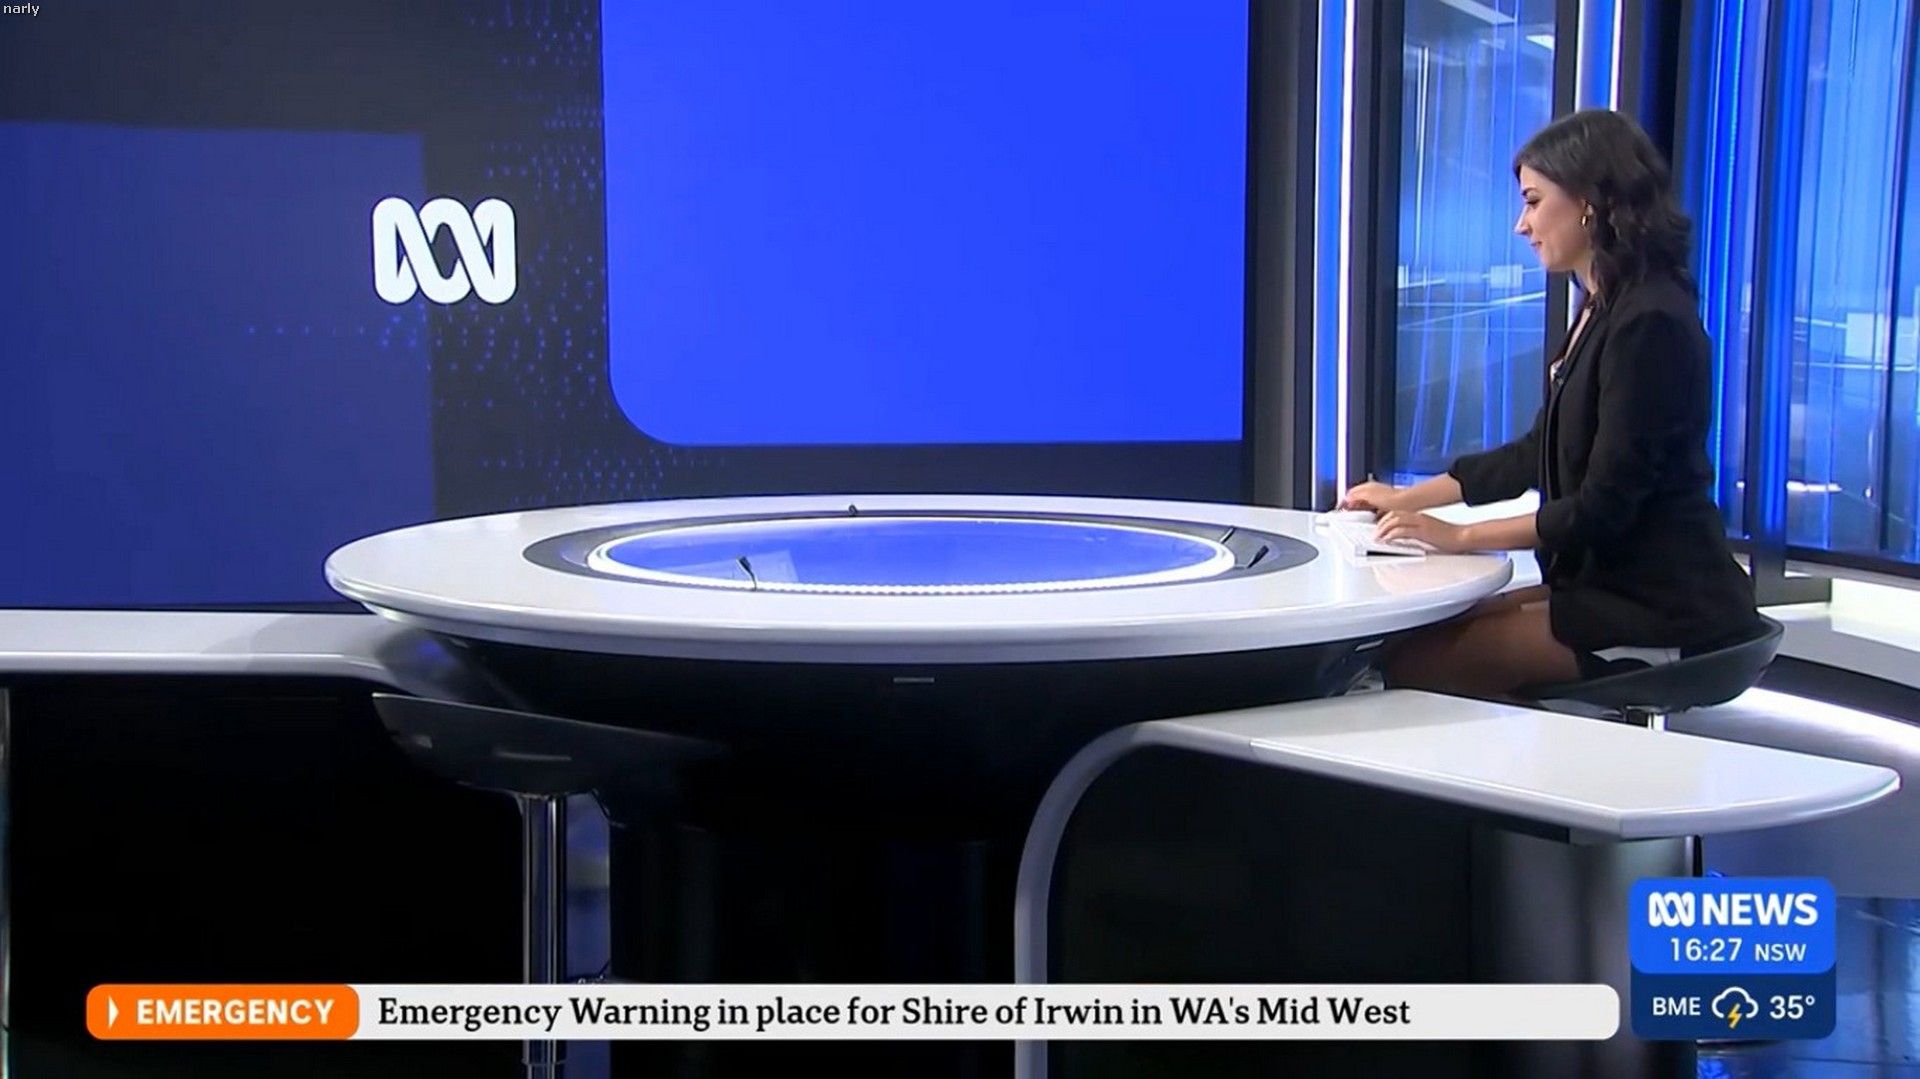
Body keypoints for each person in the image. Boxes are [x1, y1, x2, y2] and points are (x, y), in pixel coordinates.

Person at [1342, 109, 1759, 700]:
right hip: (1608, 587)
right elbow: (1537, 451)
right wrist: (1407, 499)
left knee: (1415, 665)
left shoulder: (1651, 322)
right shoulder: (1604, 306)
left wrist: (1459, 537)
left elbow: (1602, 509)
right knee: (1403, 640)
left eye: (1534, 202)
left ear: (1588, 202)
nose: (1522, 225)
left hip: (1663, 605)